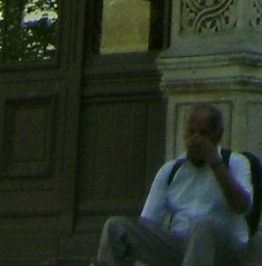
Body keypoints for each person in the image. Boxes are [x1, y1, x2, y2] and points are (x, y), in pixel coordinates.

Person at [96, 103, 253, 265]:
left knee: (201, 225)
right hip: (180, 245)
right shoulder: (170, 171)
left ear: (218, 135)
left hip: (223, 248)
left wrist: (215, 162)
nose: (195, 140)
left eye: (203, 134)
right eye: (191, 132)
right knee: (115, 226)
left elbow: (242, 206)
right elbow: (148, 222)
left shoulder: (235, 162)